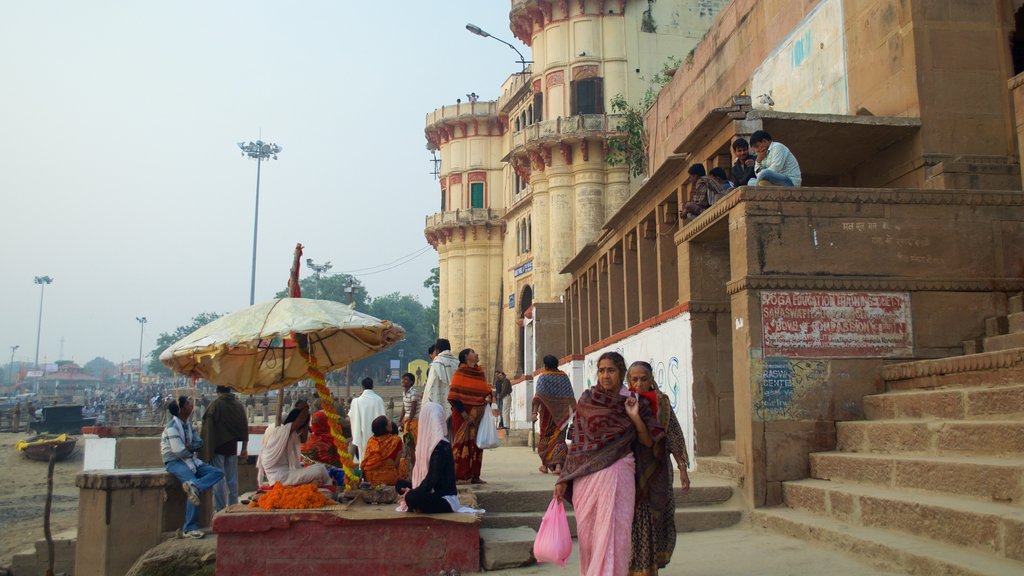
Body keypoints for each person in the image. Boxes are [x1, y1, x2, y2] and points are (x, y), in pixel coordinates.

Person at [553, 352, 663, 576]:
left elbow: (648, 441)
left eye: (611, 370)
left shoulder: (635, 402)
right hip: (585, 478)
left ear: (621, 373)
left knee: (615, 538)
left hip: (618, 472)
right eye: (601, 371)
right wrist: (564, 477)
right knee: (589, 539)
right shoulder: (587, 399)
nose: (605, 375)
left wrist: (634, 417)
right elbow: (577, 444)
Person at [627, 361, 691, 576]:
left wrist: (682, 467)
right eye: (634, 379)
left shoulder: (662, 403)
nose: (639, 384)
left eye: (643, 379)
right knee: (635, 521)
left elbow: (673, 433)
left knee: (659, 517)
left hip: (659, 470)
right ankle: (637, 567)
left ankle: (651, 565)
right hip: (631, 470)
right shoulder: (623, 402)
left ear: (651, 379)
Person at [161, 396, 223, 539]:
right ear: (181, 409)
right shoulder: (172, 428)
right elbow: (179, 451)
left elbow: (199, 443)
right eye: (188, 404)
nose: (191, 405)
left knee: (217, 473)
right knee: (192, 486)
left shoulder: (188, 425)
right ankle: (189, 527)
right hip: (174, 461)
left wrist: (189, 447)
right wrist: (190, 447)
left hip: (190, 460)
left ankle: (194, 486)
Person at [396, 402, 459, 513]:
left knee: (412, 497)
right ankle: (415, 499)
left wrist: (413, 492)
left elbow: (432, 478)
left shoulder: (440, 445)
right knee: (400, 485)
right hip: (429, 490)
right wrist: (413, 489)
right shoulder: (426, 442)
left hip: (443, 498)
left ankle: (415, 502)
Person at [200, 385, 249, 512]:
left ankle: (220, 509)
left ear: (218, 392)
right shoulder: (238, 405)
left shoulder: (215, 404)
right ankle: (233, 506)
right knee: (232, 479)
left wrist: (205, 448)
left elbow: (207, 426)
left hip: (218, 446)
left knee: (219, 479)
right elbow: (244, 426)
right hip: (232, 446)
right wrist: (244, 447)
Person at [256, 406, 332, 486]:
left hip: (282, 475)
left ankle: (310, 484)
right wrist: (305, 406)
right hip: (280, 478)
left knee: (320, 468)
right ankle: (324, 486)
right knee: (320, 470)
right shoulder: (282, 432)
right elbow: (300, 422)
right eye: (305, 426)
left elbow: (303, 439)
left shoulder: (288, 434)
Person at [447, 348, 492, 484]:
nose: (477, 354)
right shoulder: (459, 373)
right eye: (473, 352)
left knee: (477, 446)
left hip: (478, 417)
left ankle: (474, 475)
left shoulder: (480, 373)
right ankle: (458, 476)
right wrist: (465, 415)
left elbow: (486, 391)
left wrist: (488, 398)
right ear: (466, 357)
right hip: (463, 416)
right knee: (461, 445)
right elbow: (454, 397)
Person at [532, 355, 576, 474]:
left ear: (545, 365)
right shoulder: (564, 377)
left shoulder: (543, 377)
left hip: (547, 415)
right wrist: (574, 412)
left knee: (545, 439)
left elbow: (538, 398)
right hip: (562, 414)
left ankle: (545, 466)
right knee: (559, 439)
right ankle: (558, 466)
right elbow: (570, 396)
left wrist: (534, 413)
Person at [348, 377, 385, 462]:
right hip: (377, 436)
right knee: (377, 458)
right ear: (373, 386)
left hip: (363, 435)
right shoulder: (379, 400)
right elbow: (383, 419)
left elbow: (351, 416)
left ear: (362, 387)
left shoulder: (356, 401)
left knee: (364, 458)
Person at [360, 415, 403, 486]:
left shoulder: (371, 441)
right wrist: (387, 462)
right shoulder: (396, 440)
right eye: (388, 421)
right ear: (385, 427)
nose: (390, 422)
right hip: (388, 477)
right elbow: (396, 464)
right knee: (403, 462)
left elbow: (366, 461)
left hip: (370, 477)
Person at [423, 338, 459, 423]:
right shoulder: (458, 363)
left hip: (439, 405)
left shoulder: (435, 364)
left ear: (437, 350)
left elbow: (429, 389)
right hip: (456, 404)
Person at [399, 372, 421, 441]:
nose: (403, 381)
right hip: (407, 419)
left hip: (413, 420)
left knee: (412, 442)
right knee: (407, 442)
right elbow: (404, 407)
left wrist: (409, 423)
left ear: (411, 382)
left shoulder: (413, 392)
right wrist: (400, 420)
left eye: (405, 379)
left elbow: (413, 409)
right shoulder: (404, 392)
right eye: (402, 379)